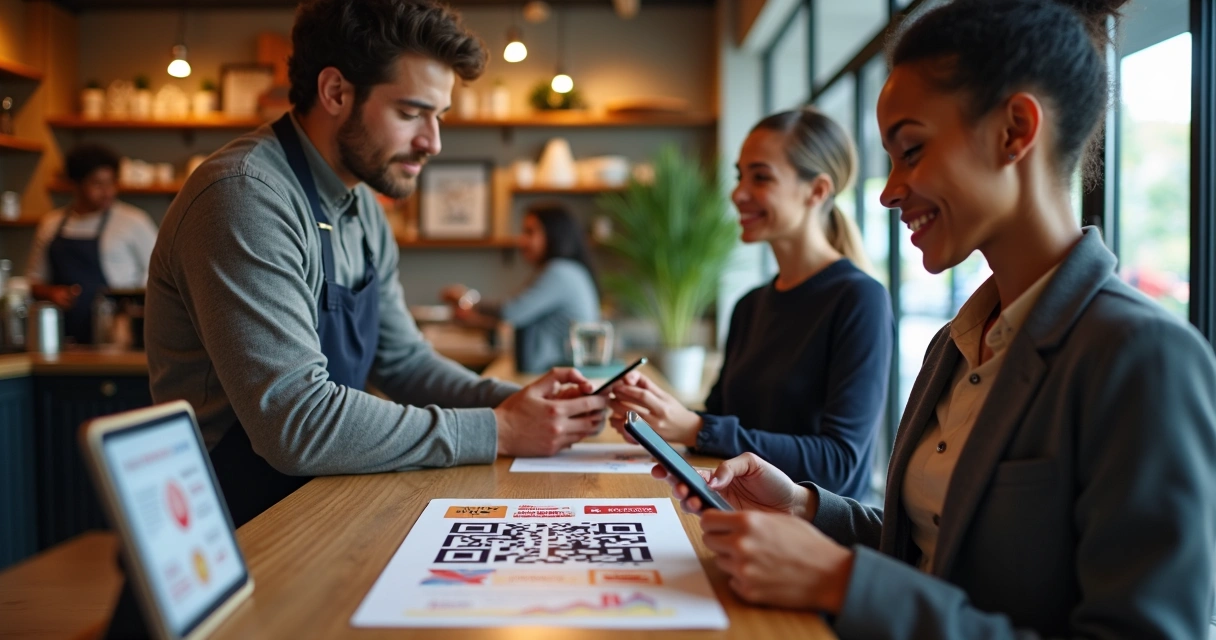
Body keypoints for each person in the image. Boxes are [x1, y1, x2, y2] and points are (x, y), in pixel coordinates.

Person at [650, 0, 1216, 637]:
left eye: (911, 150)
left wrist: (841, 580)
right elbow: (933, 553)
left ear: (1014, 131)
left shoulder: (1143, 356)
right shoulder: (957, 344)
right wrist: (807, 507)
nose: (889, 190)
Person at [144, 0, 607, 529]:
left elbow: (404, 363)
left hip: (311, 508)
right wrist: (500, 429)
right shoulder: (245, 196)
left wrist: (525, 408)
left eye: (439, 116)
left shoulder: (361, 205)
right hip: (228, 524)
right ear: (336, 92)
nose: (432, 142)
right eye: (411, 113)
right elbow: (296, 423)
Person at [608, 108, 893, 500]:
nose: (738, 193)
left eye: (760, 177)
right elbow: (720, 427)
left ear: (817, 190)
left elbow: (841, 465)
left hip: (810, 540)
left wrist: (695, 428)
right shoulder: (750, 306)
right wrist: (661, 416)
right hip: (738, 513)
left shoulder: (859, 300)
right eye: (740, 175)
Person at [442, 204, 600, 373]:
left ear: (554, 234)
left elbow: (511, 310)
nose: (522, 240)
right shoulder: (566, 270)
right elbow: (522, 315)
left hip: (555, 373)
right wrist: (474, 317)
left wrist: (465, 298)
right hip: (557, 371)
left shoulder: (559, 272)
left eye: (530, 232)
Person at [26, 143, 158, 344]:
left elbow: (159, 273)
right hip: (63, 338)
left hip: (118, 336)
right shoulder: (51, 224)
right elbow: (35, 281)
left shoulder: (133, 222)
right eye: (97, 184)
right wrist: (52, 293)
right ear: (76, 185)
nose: (107, 192)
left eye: (111, 183)